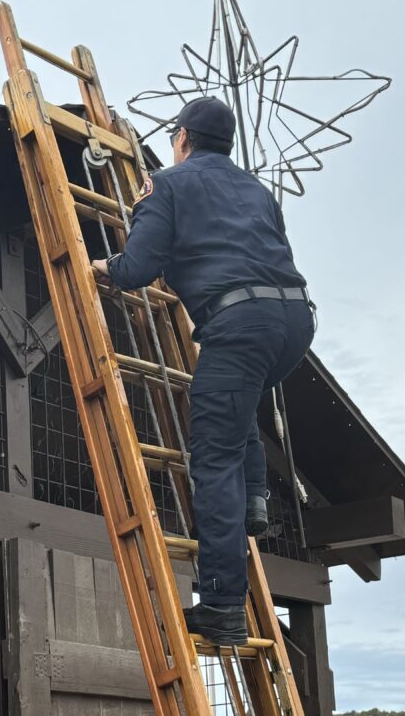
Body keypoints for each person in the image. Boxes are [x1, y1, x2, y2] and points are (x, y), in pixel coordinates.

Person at [92, 96, 315, 646]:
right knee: (239, 414)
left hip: (237, 323)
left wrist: (101, 265)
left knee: (212, 460)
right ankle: (256, 500)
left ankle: (220, 605)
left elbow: (138, 267)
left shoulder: (167, 183)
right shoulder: (257, 191)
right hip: (293, 321)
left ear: (183, 138)